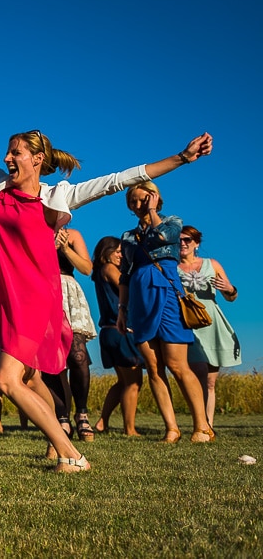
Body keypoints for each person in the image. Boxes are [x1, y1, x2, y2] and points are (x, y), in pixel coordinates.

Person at [0, 95, 212, 471]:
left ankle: (71, 455)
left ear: (38, 159)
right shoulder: (0, 185)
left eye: (16, 153)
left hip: (35, 298)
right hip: (7, 296)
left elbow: (120, 179)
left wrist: (182, 158)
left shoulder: (58, 196)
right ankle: (61, 445)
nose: (7, 159)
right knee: (29, 377)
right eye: (7, 153)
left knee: (7, 381)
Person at [117, 183, 213, 443]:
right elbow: (124, 274)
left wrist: (152, 212)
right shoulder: (127, 237)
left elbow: (162, 237)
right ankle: (171, 428)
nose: (137, 207)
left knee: (176, 364)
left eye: (141, 200)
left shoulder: (172, 222)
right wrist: (122, 309)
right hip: (139, 297)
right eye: (133, 203)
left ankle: (202, 426)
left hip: (166, 291)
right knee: (153, 366)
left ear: (154, 198)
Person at [178, 225, 241, 428]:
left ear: (196, 243)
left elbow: (230, 297)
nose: (183, 243)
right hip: (188, 323)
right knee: (198, 371)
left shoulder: (211, 264)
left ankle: (208, 425)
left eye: (188, 239)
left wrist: (230, 289)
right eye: (179, 240)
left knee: (210, 382)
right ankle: (201, 423)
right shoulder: (172, 266)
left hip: (211, 322)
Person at [41, 227, 98, 441]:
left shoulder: (72, 234)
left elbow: (86, 268)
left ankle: (81, 413)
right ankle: (61, 416)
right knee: (52, 361)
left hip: (68, 292)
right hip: (43, 291)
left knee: (78, 355)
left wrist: (64, 248)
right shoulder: (34, 232)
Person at [90, 236, 144, 436]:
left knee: (122, 381)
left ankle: (102, 422)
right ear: (107, 253)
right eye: (118, 251)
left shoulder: (98, 273)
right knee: (133, 381)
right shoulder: (110, 269)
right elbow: (126, 287)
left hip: (109, 331)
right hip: (120, 330)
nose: (122, 256)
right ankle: (129, 429)